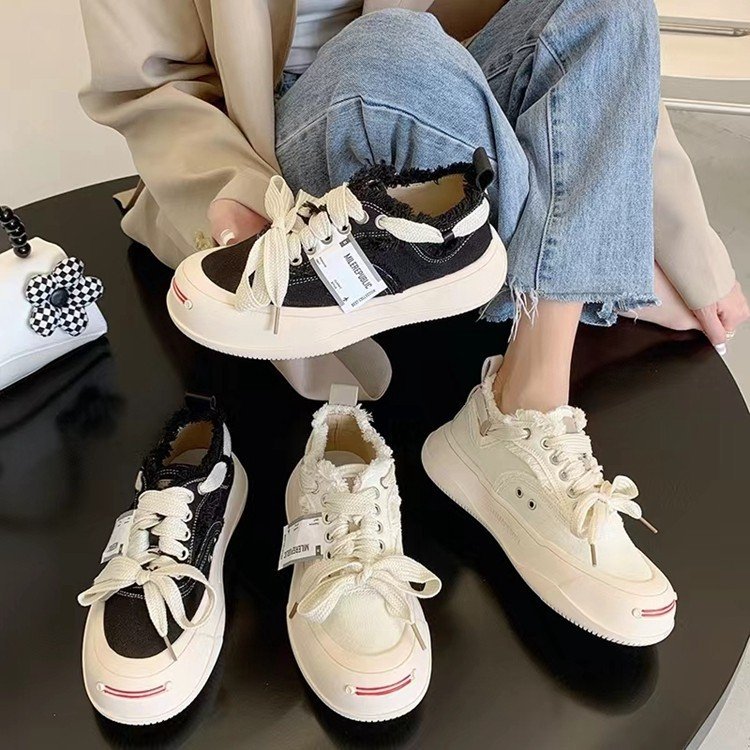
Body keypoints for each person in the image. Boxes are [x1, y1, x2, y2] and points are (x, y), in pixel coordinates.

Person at [79, 0, 747, 642]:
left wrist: (690, 246)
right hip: (274, 154)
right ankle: (576, 261)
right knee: (389, 51)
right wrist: (240, 194)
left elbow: (607, 59)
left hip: (447, 108)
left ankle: (523, 404)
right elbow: (151, 88)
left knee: (609, 6)